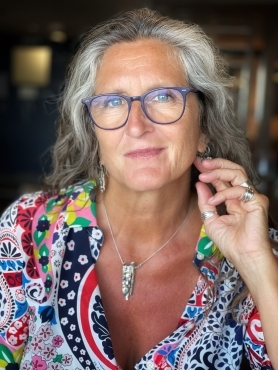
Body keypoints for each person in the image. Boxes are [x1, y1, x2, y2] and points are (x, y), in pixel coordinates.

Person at [0, 8, 278, 370]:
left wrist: (258, 265)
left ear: (204, 126)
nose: (137, 125)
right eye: (112, 102)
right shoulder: (26, 230)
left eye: (163, 97)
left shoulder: (255, 248)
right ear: (93, 131)